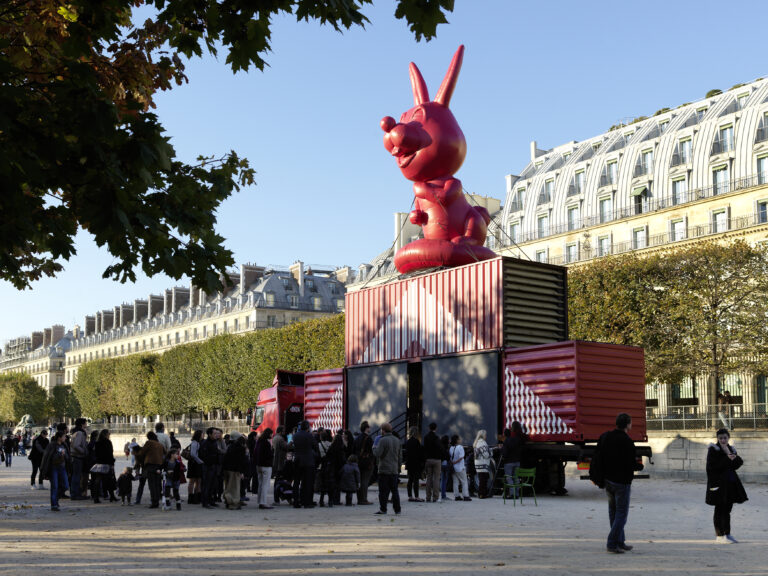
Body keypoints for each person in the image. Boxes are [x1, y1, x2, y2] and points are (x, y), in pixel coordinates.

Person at [600, 412, 644, 554]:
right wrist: (640, 467)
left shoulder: (608, 437)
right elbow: (631, 463)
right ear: (627, 424)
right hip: (622, 482)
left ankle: (620, 541)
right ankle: (612, 543)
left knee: (613, 512)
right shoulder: (627, 441)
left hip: (609, 480)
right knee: (621, 514)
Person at [706, 428, 748, 543]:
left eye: (725, 438)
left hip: (730, 483)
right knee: (719, 508)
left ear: (728, 437)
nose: (723, 440)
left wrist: (732, 456)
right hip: (718, 484)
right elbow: (712, 467)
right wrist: (726, 458)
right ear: (717, 439)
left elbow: (737, 464)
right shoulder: (713, 449)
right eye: (720, 438)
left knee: (727, 509)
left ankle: (727, 534)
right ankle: (719, 535)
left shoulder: (731, 449)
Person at [372, 422, 402, 515]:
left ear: (383, 430)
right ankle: (397, 510)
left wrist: (374, 448)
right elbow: (400, 457)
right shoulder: (397, 440)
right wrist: (398, 467)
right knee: (395, 491)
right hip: (394, 470)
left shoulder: (383, 440)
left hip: (384, 469)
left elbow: (378, 453)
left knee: (383, 491)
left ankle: (383, 509)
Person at [41, 431, 70, 511]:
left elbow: (68, 457)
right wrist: (59, 454)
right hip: (53, 468)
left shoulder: (64, 445)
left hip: (63, 468)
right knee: (55, 486)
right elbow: (48, 458)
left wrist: (65, 455)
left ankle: (56, 498)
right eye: (64, 436)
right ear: (59, 437)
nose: (65, 438)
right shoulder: (52, 445)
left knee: (65, 485)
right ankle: (54, 505)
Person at [291, 420, 318, 509]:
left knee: (296, 482)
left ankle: (296, 501)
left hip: (297, 460)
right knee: (307, 482)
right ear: (307, 427)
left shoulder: (295, 436)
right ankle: (306, 502)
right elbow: (315, 446)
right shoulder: (309, 435)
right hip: (308, 461)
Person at [137, 431, 165, 508]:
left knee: (152, 484)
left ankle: (154, 502)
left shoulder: (149, 443)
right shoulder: (160, 444)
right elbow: (165, 453)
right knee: (157, 484)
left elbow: (142, 453)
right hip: (159, 466)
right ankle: (157, 501)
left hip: (150, 465)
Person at [222, 433, 248, 510]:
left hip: (227, 469)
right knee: (235, 488)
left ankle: (227, 501)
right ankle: (233, 503)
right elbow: (241, 461)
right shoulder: (240, 448)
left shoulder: (229, 446)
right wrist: (241, 471)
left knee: (228, 487)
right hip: (235, 470)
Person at [91, 429, 118, 503]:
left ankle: (96, 497)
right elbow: (110, 454)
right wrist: (112, 463)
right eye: (109, 434)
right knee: (110, 480)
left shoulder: (97, 443)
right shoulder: (108, 442)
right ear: (106, 434)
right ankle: (112, 496)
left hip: (99, 463)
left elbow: (96, 453)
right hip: (107, 463)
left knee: (98, 480)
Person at [199, 427, 222, 509]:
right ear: (209, 434)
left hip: (214, 466)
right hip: (208, 466)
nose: (216, 435)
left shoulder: (215, 442)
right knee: (207, 484)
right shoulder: (205, 443)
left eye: (217, 433)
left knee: (213, 485)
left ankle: (211, 500)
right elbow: (203, 455)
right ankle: (205, 502)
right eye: (214, 433)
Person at [502, 423, 526, 498]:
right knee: (516, 477)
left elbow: (505, 453)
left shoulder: (507, 441)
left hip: (509, 462)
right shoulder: (518, 439)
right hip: (517, 461)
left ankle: (513, 494)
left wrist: (502, 452)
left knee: (509, 478)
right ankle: (517, 493)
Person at [353, 421, 374, 505]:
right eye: (369, 427)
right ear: (366, 428)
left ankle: (359, 499)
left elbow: (353, 450)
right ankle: (364, 499)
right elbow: (372, 451)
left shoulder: (357, 438)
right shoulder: (368, 438)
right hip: (367, 462)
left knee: (359, 480)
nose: (370, 429)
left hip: (358, 461)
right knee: (365, 481)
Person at [255, 428, 274, 510]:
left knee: (260, 484)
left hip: (259, 465)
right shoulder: (266, 443)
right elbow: (269, 454)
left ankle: (260, 501)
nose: (271, 435)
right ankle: (263, 502)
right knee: (265, 485)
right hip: (266, 465)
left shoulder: (259, 442)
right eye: (271, 434)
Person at [423, 422, 442, 503]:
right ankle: (435, 497)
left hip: (428, 459)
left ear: (429, 428)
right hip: (436, 460)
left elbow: (425, 448)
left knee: (429, 479)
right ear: (436, 428)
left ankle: (428, 497)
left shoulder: (426, 437)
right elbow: (440, 448)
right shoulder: (437, 437)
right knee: (436, 479)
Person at [70, 418, 89, 500]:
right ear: (82, 424)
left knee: (76, 476)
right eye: (85, 423)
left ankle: (75, 493)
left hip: (75, 456)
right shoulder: (80, 433)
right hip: (78, 456)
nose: (86, 424)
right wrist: (83, 452)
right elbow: (76, 445)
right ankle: (75, 494)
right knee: (77, 476)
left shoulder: (76, 432)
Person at [405, 426, 425, 502]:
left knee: (410, 480)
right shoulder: (417, 442)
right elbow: (419, 453)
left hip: (409, 463)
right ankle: (416, 496)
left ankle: (410, 496)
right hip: (416, 463)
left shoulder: (408, 442)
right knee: (416, 480)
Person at [449, 434, 471, 501]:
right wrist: (456, 462)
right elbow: (461, 457)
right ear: (457, 440)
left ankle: (457, 496)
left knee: (455, 482)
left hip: (453, 468)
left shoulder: (451, 448)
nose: (460, 440)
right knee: (464, 482)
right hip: (460, 467)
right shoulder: (460, 447)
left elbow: (450, 457)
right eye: (459, 439)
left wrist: (453, 462)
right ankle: (466, 495)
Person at [473, 430, 492, 499]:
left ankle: (481, 493)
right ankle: (482, 494)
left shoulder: (477, 442)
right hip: (483, 463)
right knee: (483, 479)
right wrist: (491, 453)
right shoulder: (482, 443)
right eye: (485, 435)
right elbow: (486, 454)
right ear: (483, 435)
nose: (486, 436)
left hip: (478, 463)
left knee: (482, 479)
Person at [186, 429, 204, 504]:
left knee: (198, 481)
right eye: (202, 434)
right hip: (194, 464)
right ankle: (191, 497)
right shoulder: (195, 443)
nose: (203, 435)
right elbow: (193, 454)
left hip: (196, 463)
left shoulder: (197, 443)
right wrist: (200, 461)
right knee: (193, 481)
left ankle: (196, 497)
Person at [439, 434, 450, 501]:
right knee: (444, 480)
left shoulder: (440, 447)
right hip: (445, 464)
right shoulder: (446, 448)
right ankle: (443, 495)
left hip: (440, 464)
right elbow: (447, 457)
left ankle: (442, 494)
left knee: (442, 479)